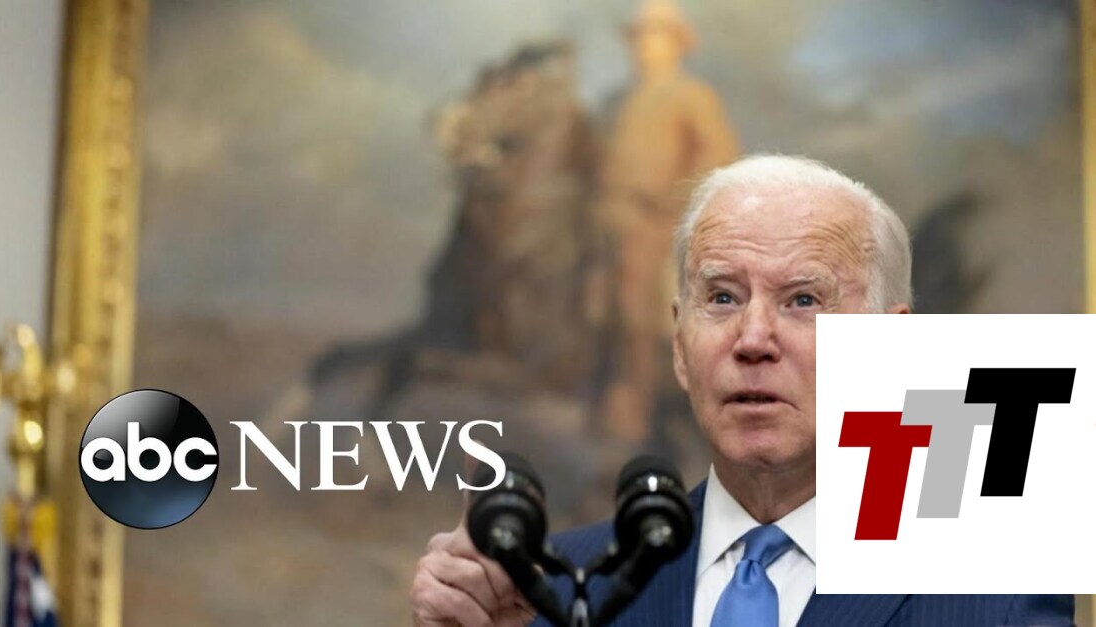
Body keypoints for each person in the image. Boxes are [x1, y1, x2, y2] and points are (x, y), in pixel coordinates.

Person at [407, 155, 1074, 626]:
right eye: (722, 297)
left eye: (803, 299)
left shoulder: (993, 596)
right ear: (679, 346)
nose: (752, 338)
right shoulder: (558, 590)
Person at [600, 0, 740, 443]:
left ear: (676, 44)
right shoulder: (619, 102)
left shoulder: (691, 96)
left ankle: (637, 410)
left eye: (655, 37)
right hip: (608, 221)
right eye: (640, 38)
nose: (645, 46)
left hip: (657, 226)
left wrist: (669, 201)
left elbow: (717, 158)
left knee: (639, 311)